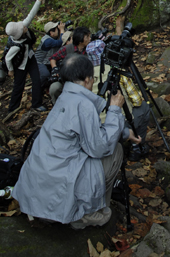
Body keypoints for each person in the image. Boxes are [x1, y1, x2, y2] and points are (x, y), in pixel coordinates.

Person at [13, 54, 141, 228]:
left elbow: (88, 132)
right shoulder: (83, 104)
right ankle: (87, 212)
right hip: (58, 199)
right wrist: (115, 111)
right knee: (116, 150)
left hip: (37, 194)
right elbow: (100, 147)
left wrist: (124, 132)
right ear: (88, 79)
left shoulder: (63, 97)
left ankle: (79, 206)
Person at [87, 39, 150, 161]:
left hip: (94, 126)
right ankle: (136, 147)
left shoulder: (84, 76)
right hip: (118, 123)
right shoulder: (115, 71)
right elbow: (136, 100)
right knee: (143, 107)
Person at [5, 0, 48, 113]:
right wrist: (11, 70)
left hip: (30, 58)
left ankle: (36, 103)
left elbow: (31, 14)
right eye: (22, 28)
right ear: (19, 34)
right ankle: (12, 109)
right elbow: (8, 58)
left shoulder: (23, 27)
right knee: (19, 85)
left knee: (36, 80)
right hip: (20, 65)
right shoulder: (15, 46)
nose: (25, 27)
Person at [49, 26, 91, 104]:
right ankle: (58, 106)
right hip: (65, 80)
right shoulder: (67, 49)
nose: (90, 39)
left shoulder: (89, 50)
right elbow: (53, 58)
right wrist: (55, 68)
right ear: (81, 38)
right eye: (87, 37)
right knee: (54, 88)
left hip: (80, 81)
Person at [35, 21, 66, 88]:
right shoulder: (47, 41)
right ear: (51, 33)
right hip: (39, 62)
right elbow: (61, 42)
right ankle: (36, 88)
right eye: (56, 29)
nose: (58, 30)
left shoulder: (53, 38)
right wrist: (62, 30)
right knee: (45, 74)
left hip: (48, 62)